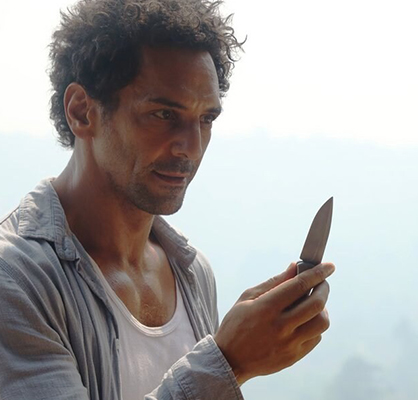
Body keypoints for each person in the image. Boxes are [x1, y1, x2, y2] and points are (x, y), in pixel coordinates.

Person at [0, 0, 334, 399]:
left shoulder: (191, 272)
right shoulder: (15, 280)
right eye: (163, 114)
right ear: (82, 111)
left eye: (206, 119)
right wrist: (229, 363)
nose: (190, 147)